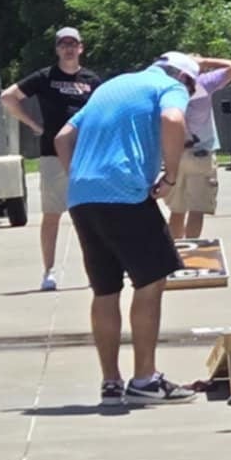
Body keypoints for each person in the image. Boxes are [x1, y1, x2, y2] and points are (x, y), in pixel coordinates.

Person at [55, 53, 201, 406]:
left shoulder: (112, 85)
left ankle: (110, 382)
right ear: (183, 78)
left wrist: (80, 177)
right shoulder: (169, 87)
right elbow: (172, 118)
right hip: (125, 192)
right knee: (150, 282)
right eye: (192, 90)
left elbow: (63, 137)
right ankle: (145, 380)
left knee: (105, 289)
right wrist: (170, 176)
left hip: (82, 196)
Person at [1, 27, 102, 291]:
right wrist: (34, 125)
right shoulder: (45, 77)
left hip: (86, 156)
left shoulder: (92, 80)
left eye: (73, 44)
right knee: (52, 214)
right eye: (63, 44)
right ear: (57, 49)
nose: (68, 49)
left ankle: (97, 270)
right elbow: (8, 97)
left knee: (90, 216)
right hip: (52, 155)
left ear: (81, 48)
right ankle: (49, 271)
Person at [167, 53, 231, 240]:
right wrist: (205, 61)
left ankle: (174, 250)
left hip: (175, 153)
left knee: (177, 209)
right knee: (197, 208)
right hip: (201, 154)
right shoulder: (203, 83)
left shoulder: (169, 86)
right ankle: (192, 248)